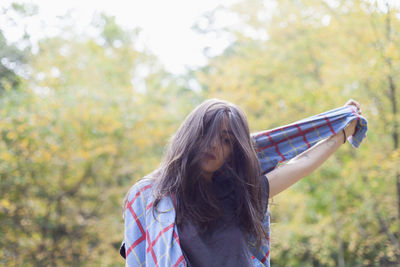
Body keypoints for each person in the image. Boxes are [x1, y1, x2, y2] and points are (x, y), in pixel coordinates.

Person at [120, 98, 366, 267]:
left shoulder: (238, 193)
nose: (214, 145)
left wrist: (342, 128)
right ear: (191, 136)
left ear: (233, 152)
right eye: (207, 133)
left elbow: (302, 163)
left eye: (226, 140)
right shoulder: (153, 199)